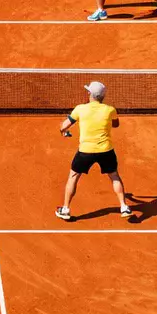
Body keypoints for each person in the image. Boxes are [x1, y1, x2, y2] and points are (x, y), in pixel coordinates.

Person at [56, 81, 133, 221]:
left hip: (85, 151)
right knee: (114, 176)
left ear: (90, 94)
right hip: (106, 150)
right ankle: (124, 207)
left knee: (73, 177)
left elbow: (64, 126)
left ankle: (65, 209)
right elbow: (115, 124)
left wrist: (63, 130)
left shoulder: (80, 109)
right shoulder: (110, 110)